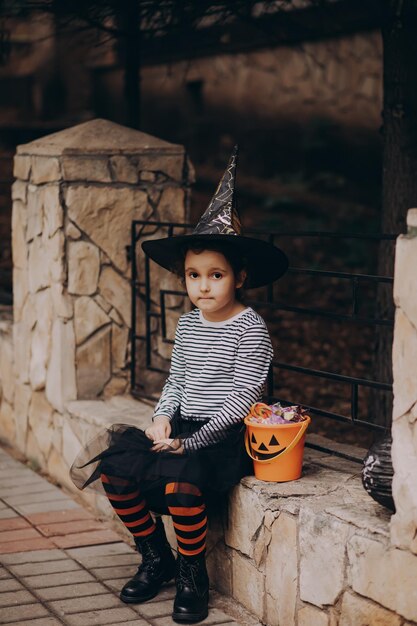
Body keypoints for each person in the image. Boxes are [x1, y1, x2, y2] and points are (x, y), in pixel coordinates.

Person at [70, 146, 288, 624]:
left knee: (181, 485)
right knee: (116, 470)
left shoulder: (251, 328)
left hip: (222, 438)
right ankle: (155, 557)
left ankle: (192, 572)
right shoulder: (189, 325)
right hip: (181, 428)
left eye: (216, 275)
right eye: (194, 276)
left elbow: (241, 399)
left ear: (240, 277)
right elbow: (177, 379)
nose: (203, 286)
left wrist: (191, 441)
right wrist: (162, 418)